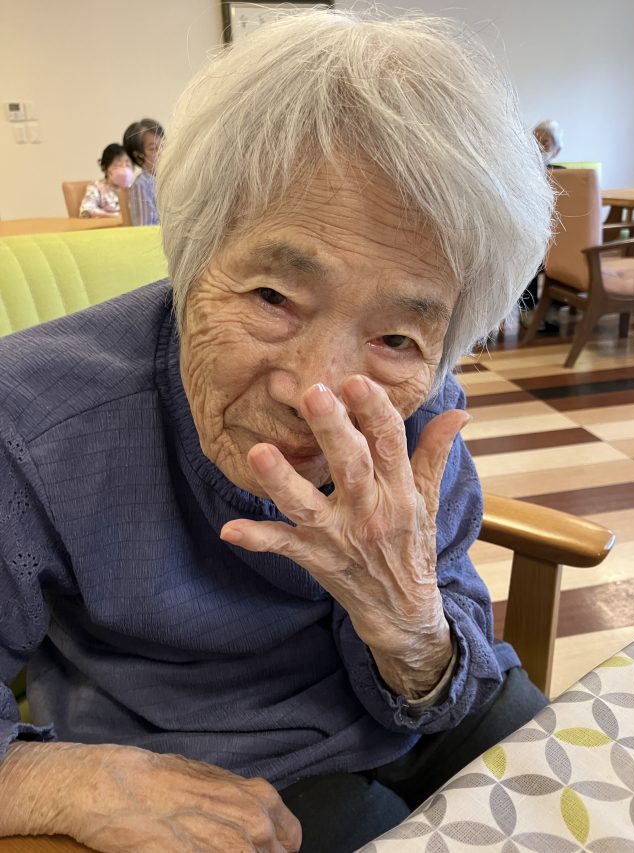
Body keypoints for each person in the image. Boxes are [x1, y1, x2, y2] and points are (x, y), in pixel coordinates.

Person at [0, 11, 553, 853]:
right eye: (273, 297)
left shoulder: (421, 408)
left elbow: (457, 660)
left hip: (421, 709)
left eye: (396, 336)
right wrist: (61, 780)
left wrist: (412, 628)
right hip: (215, 763)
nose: (316, 393)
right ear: (191, 255)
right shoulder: (35, 419)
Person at [519, 119, 565, 329]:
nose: (538, 146)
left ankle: (553, 308)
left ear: (557, 150)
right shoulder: (521, 174)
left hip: (560, 238)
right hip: (530, 237)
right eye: (534, 140)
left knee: (568, 257)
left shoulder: (565, 175)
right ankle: (527, 309)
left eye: (545, 142)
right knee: (530, 256)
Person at [122, 117, 164, 225]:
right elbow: (143, 228)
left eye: (163, 145)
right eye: (153, 148)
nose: (161, 152)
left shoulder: (166, 180)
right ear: (138, 156)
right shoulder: (140, 185)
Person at [78, 143, 133, 218]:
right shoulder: (97, 187)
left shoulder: (134, 188)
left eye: (127, 164)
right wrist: (114, 216)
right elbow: (86, 210)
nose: (124, 169)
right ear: (105, 168)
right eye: (118, 164)